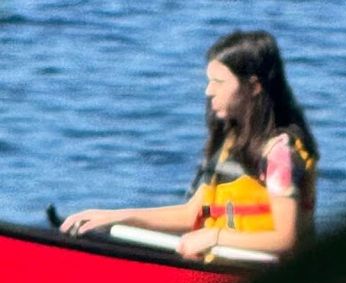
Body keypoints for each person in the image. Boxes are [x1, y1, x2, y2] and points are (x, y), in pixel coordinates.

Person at [61, 30, 317, 259]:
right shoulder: (231, 142)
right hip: (223, 271)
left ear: (253, 86)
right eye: (209, 81)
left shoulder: (279, 154)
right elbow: (192, 213)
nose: (208, 91)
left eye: (219, 82)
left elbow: (285, 239)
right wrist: (114, 217)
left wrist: (214, 237)